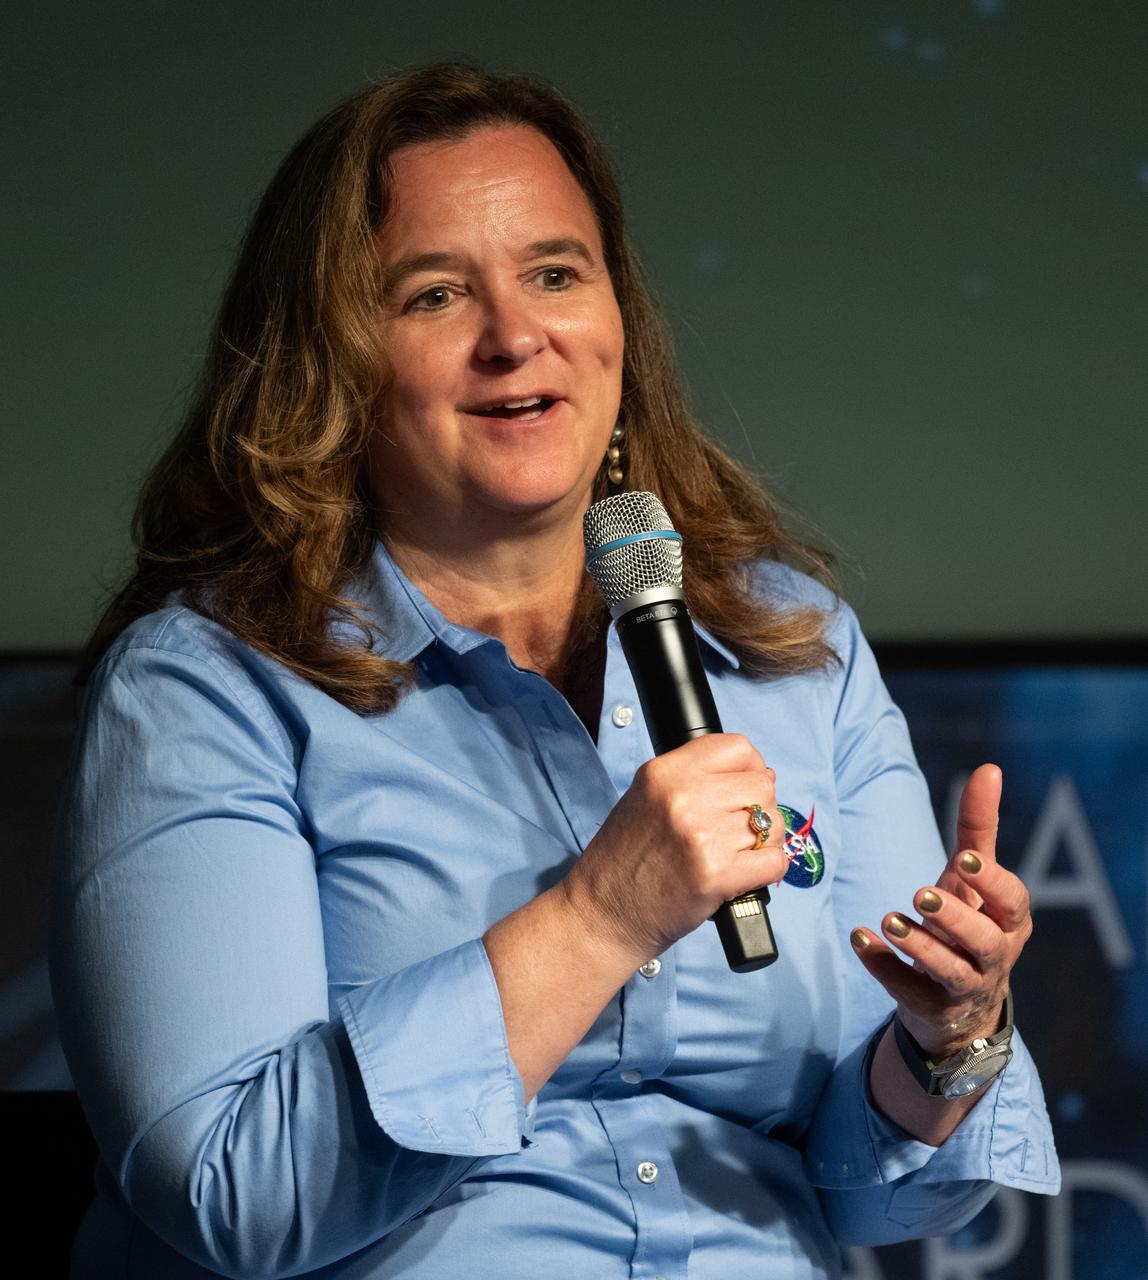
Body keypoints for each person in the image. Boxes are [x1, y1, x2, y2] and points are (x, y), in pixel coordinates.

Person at [51, 62, 1059, 1280]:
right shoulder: (209, 686)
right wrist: (598, 916)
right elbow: (232, 1192)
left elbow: (872, 1192)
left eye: (553, 272)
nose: (514, 335)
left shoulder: (792, 647)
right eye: (432, 294)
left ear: (616, 313)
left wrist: (946, 1033)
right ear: (331, 360)